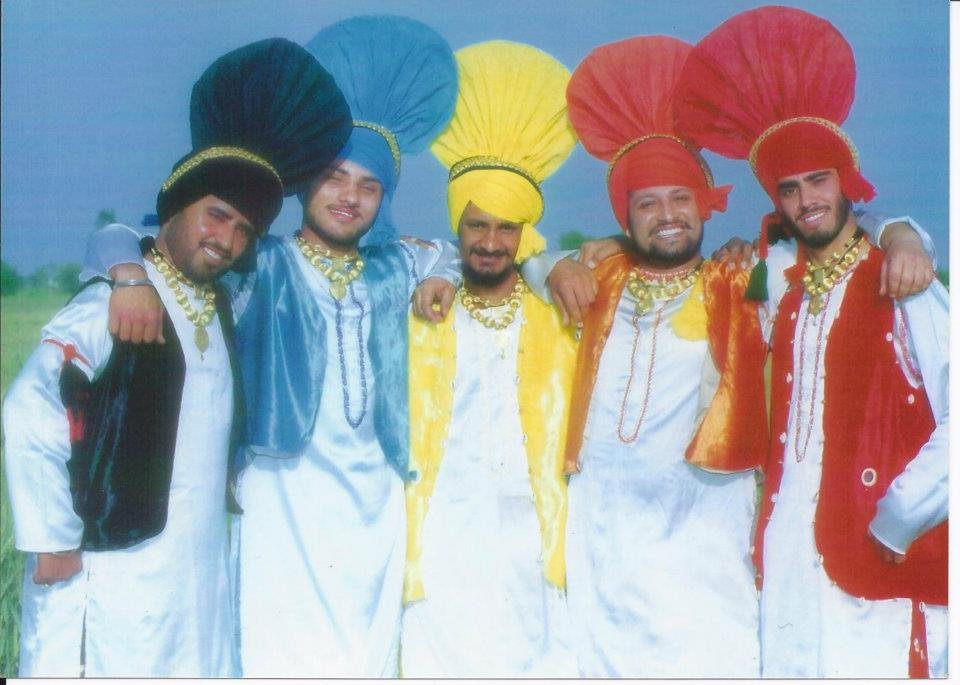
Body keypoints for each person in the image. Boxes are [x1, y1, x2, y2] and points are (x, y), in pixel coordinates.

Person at [83, 16, 459, 677]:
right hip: (281, 489)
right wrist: (126, 274)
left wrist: (442, 276)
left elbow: (453, 254)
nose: (349, 198)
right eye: (334, 177)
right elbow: (128, 234)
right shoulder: (260, 261)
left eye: (369, 185)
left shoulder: (399, 264)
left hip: (376, 492)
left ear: (386, 196)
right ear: (306, 183)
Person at [3, 38, 351, 677]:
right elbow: (29, 409)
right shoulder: (114, 302)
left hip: (195, 578)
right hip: (113, 574)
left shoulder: (219, 305)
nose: (226, 240)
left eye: (244, 229)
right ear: (174, 206)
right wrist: (51, 540)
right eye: (216, 215)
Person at [674, 6, 948, 678]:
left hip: (878, 556)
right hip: (789, 551)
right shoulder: (782, 286)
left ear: (846, 179)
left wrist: (898, 518)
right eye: (789, 189)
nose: (807, 201)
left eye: (819, 180)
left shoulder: (903, 280)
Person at [401, 40, 578, 678]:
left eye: (507, 227)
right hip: (443, 526)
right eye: (477, 225)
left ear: (525, 232)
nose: (491, 242)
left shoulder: (560, 310)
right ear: (457, 225)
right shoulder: (422, 304)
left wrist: (553, 263)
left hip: (534, 529)